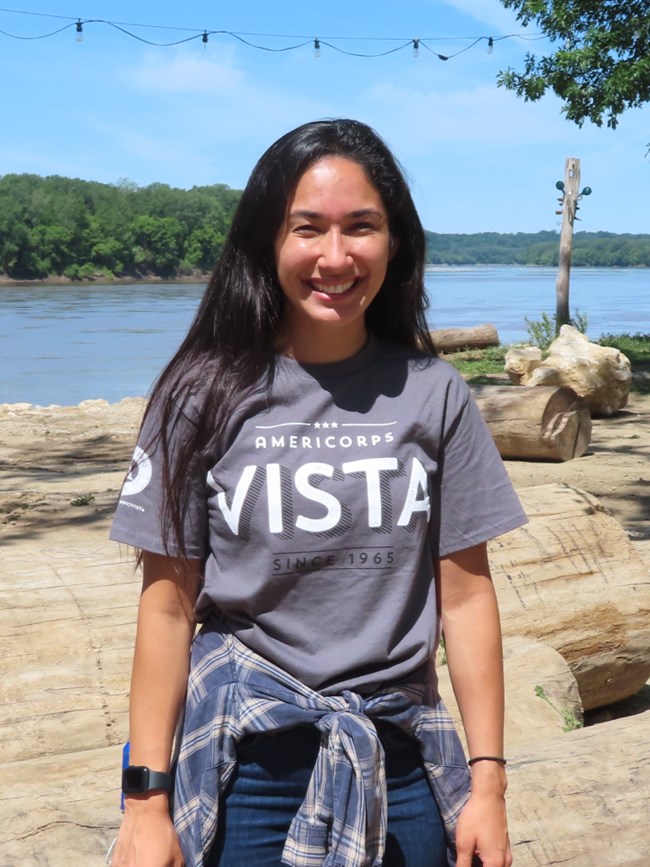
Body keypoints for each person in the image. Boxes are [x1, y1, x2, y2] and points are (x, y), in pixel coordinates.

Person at [109, 118, 526, 867]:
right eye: (309, 229)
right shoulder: (197, 396)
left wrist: (488, 784)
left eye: (360, 227)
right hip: (245, 769)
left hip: (399, 764)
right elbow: (167, 610)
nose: (335, 256)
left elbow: (465, 599)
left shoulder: (435, 395)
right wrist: (145, 802)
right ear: (268, 243)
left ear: (393, 242)